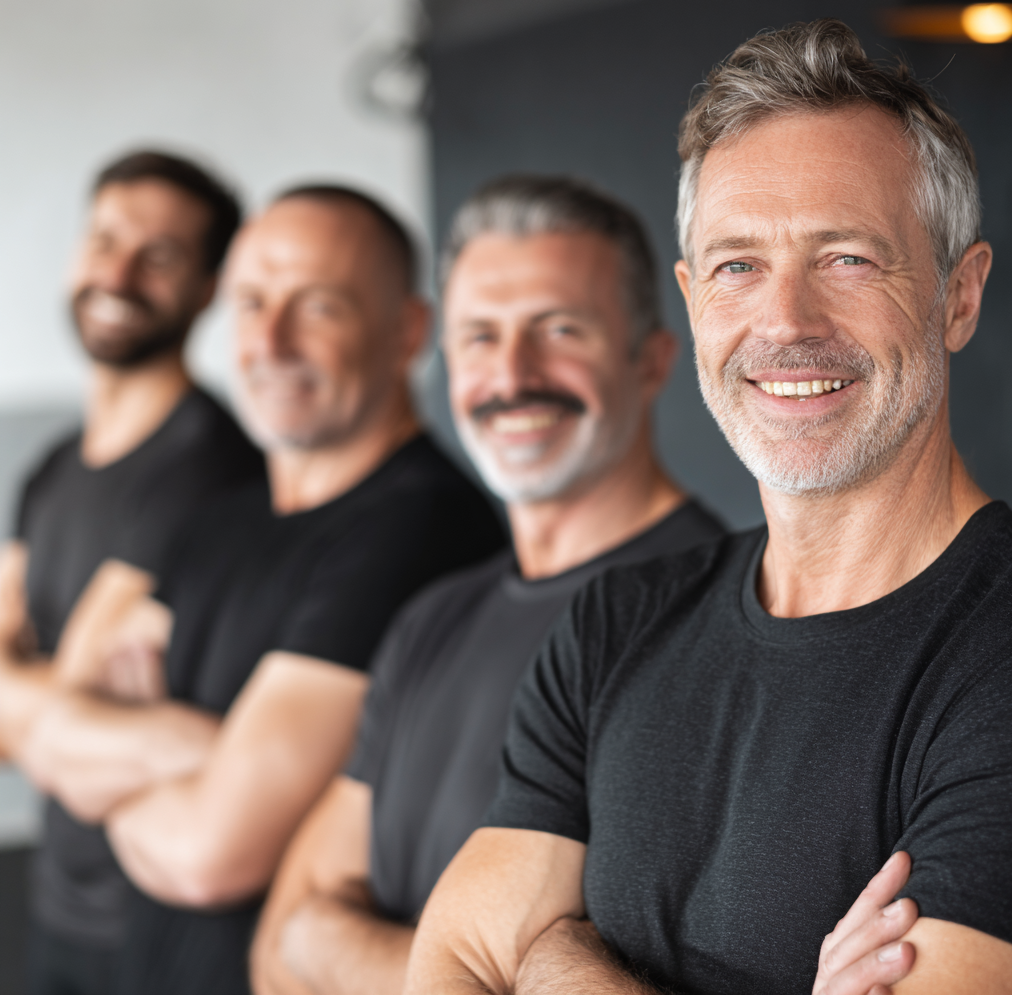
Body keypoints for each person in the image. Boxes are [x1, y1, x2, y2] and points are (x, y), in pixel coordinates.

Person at [402, 20, 1012, 995]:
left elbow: (507, 961)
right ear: (691, 301)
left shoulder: (1005, 652)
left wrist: (557, 957)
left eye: (847, 258)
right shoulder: (614, 625)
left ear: (959, 294)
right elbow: (456, 965)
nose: (785, 322)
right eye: (738, 265)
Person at [6, 184, 506, 995]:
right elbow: (49, 719)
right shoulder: (216, 519)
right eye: (251, 304)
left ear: (407, 332)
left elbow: (211, 851)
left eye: (317, 307)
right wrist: (199, 754)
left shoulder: (422, 525)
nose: (270, 343)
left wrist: (115, 757)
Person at [249, 175, 725, 995]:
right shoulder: (433, 618)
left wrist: (334, 942)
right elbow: (278, 945)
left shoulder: (716, 617)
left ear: (650, 358)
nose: (512, 375)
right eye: (479, 337)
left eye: (559, 329)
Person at [0, 149, 264, 995]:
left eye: (158, 254)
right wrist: (52, 709)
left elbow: (62, 700)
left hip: (160, 923)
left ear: (207, 287)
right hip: (56, 900)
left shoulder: (209, 469)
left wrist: (42, 700)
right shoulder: (50, 468)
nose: (117, 272)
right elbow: (35, 724)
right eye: (105, 239)